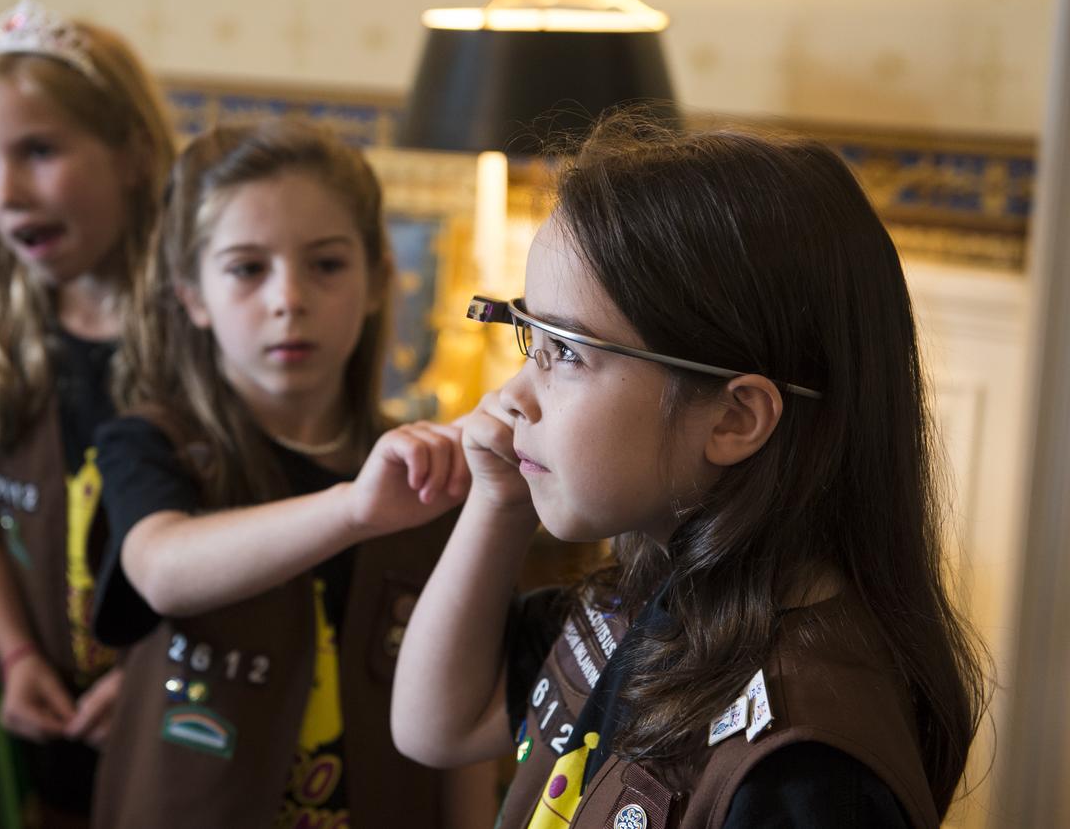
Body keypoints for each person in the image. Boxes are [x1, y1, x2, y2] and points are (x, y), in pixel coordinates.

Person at [391, 115, 987, 829]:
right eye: (531, 338)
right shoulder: (652, 593)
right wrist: (499, 502)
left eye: (567, 352)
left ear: (734, 419)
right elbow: (437, 725)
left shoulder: (804, 774)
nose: (514, 398)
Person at [89, 118, 496, 829]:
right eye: (248, 268)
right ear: (191, 293)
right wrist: (352, 510)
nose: (289, 298)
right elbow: (160, 565)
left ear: (375, 279)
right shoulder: (150, 445)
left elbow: (463, 714)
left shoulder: (433, 470)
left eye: (327, 264)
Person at [0, 0, 175, 827]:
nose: (8, 191)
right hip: (54, 712)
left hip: (188, 703)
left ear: (133, 153)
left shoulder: (201, 345)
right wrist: (16, 653)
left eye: (38, 150)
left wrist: (147, 671)